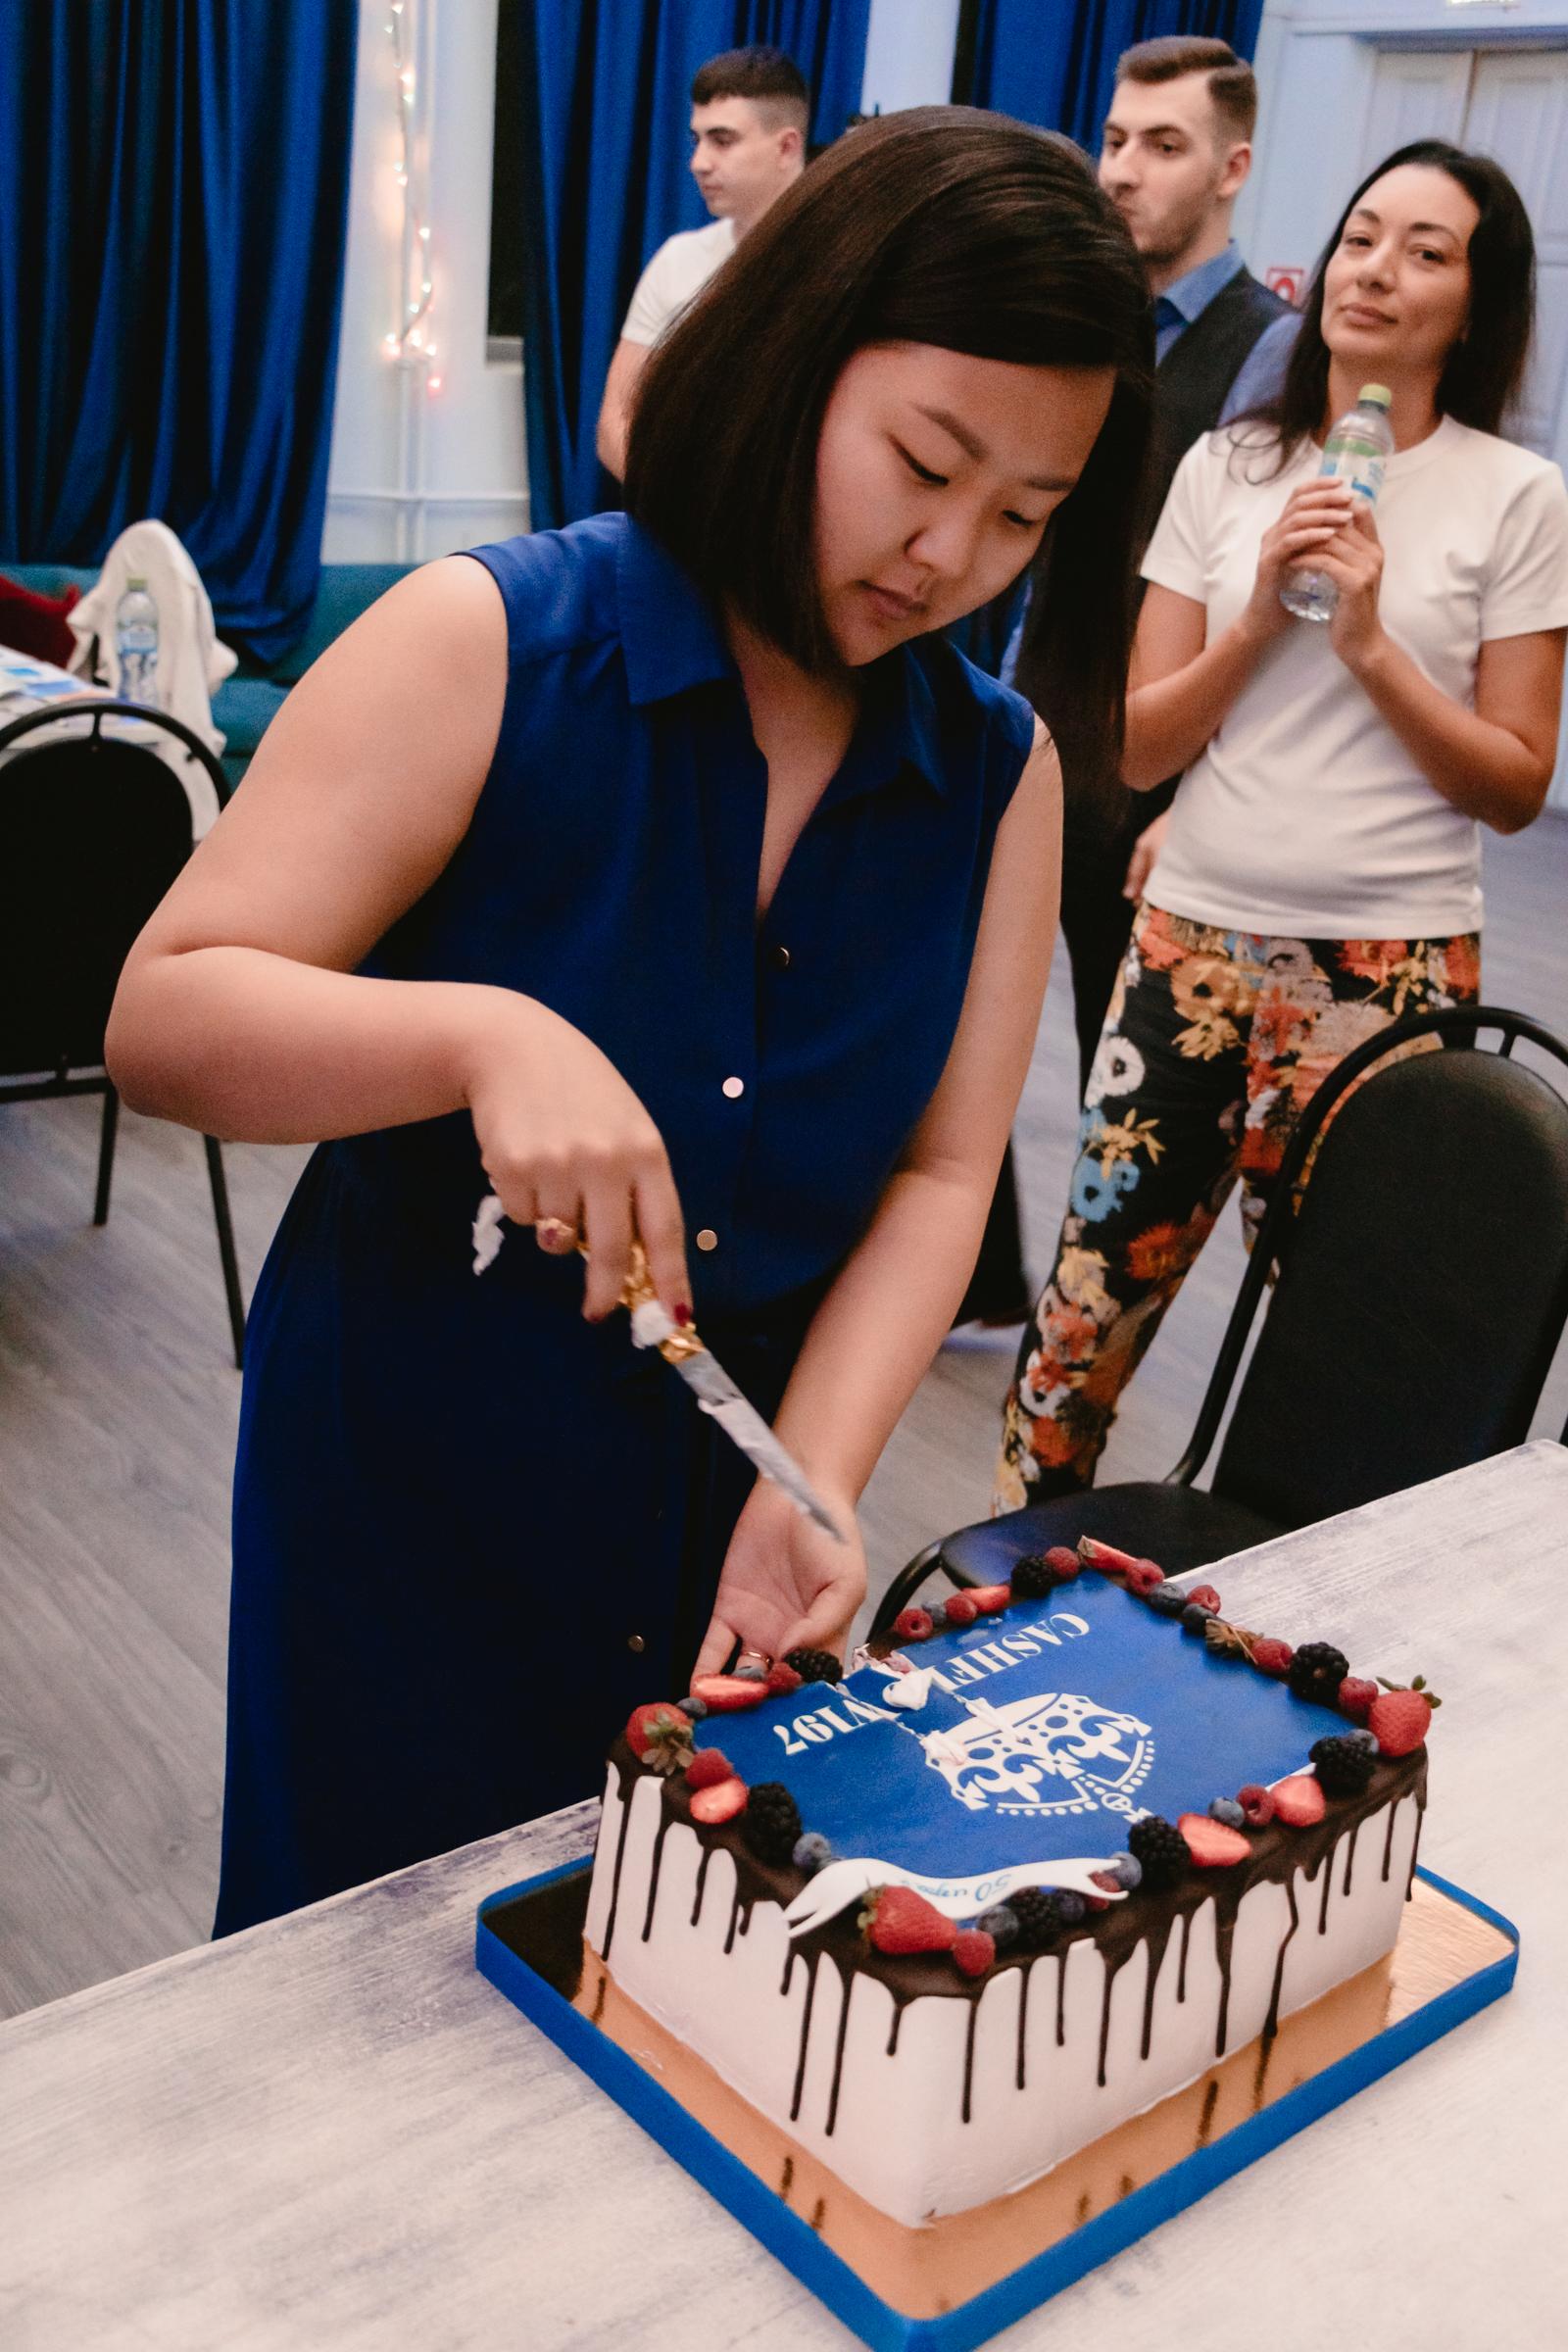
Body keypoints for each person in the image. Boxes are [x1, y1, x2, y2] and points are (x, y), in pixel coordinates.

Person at [106, 109, 1152, 1933]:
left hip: (733, 1516)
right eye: (922, 463)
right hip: (420, 1480)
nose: (948, 555)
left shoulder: (998, 773)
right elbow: (164, 1016)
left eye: (1023, 517)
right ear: (794, 357)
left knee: (690, 1980)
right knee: (373, 1974)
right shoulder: (495, 643)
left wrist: (820, 1477)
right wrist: (480, 1039)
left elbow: (940, 1172)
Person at [997, 138, 1568, 1509]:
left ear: (1477, 306)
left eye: (1426, 251)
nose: (1378, 268)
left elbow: (1512, 784)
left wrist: (1367, 642)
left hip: (1386, 971)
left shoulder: (1517, 496)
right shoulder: (1228, 465)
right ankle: (1012, 1591)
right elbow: (1140, 742)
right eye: (1363, 235)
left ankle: (1295, 1610)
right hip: (1188, 944)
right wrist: (1261, 613)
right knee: (1082, 1319)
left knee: (1349, 1337)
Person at [955, 35, 1292, 1347]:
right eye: (1113, 140)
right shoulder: (1086, 323)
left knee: (1130, 1086)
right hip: (1023, 722)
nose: (1123, 171)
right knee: (941, 1015)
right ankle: (979, 1278)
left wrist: (1191, 801)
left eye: (1162, 145)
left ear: (1232, 167)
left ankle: (1087, 1330)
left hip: (1144, 771)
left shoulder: (1270, 353)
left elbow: (1268, 607)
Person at [595, 46, 808, 482]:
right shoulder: (678, 259)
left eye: (722, 140)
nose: (698, 163)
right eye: (697, 140)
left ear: (786, 147)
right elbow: (615, 421)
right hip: (681, 508)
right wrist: (680, 509)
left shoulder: (847, 261)